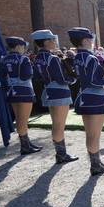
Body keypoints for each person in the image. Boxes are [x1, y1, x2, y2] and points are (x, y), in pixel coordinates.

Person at [70, 27, 104, 176]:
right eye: (90, 39)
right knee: (95, 135)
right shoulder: (91, 58)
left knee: (90, 134)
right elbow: (95, 82)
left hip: (84, 96)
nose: (92, 42)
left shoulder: (77, 57)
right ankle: (95, 165)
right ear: (84, 41)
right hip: (95, 98)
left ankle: (96, 162)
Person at [31, 29, 79, 164]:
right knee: (59, 125)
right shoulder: (51, 58)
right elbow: (61, 78)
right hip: (59, 92)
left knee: (56, 124)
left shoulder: (38, 57)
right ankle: (61, 154)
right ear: (46, 42)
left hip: (49, 91)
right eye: (52, 40)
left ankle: (60, 153)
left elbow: (37, 76)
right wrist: (73, 80)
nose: (54, 42)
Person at [0, 36, 41, 154]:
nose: (24, 49)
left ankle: (26, 143)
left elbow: (2, 76)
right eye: (23, 46)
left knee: (19, 119)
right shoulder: (23, 59)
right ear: (18, 46)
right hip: (24, 91)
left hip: (11, 91)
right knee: (23, 120)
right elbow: (26, 75)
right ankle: (24, 146)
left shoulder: (4, 59)